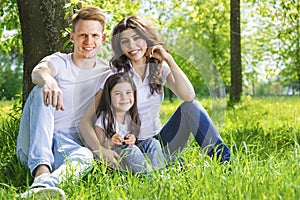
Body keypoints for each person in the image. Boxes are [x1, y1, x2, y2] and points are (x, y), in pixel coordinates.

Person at [79, 15, 230, 169]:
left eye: (137, 38)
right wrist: (101, 150)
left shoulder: (159, 67)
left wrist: (169, 60)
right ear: (120, 47)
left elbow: (188, 96)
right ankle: (166, 164)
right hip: (130, 146)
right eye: (125, 41)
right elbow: (85, 122)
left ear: (146, 38)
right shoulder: (115, 75)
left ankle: (225, 162)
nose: (132, 46)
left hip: (158, 142)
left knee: (192, 107)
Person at [16, 6, 114, 199]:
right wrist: (49, 80)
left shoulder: (106, 72)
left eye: (94, 35)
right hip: (35, 142)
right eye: (82, 35)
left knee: (87, 157)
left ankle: (41, 189)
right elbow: (39, 71)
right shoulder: (60, 61)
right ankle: (41, 170)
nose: (88, 42)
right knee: (40, 90)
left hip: (67, 146)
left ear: (102, 39)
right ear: (72, 37)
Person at [95, 72, 165, 173]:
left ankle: (159, 172)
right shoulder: (104, 120)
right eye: (117, 94)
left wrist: (132, 139)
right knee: (130, 150)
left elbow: (135, 141)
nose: (124, 98)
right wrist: (111, 142)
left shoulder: (132, 117)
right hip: (117, 160)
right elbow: (98, 148)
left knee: (153, 143)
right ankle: (150, 178)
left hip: (134, 157)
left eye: (128, 92)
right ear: (109, 97)